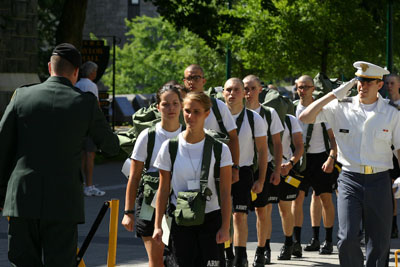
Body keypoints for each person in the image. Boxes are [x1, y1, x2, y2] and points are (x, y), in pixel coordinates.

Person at [0, 43, 119, 266]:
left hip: (22, 198)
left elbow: (2, 146)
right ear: (76, 72)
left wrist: (1, 194)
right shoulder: (85, 103)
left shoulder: (21, 96)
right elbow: (111, 146)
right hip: (63, 202)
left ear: (49, 67)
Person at [299, 61, 400, 267]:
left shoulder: (392, 114)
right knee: (346, 238)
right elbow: (305, 117)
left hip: (380, 180)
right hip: (350, 179)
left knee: (379, 241)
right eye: (359, 81)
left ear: (379, 85)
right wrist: (334, 94)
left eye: (368, 82)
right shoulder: (340, 106)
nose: (362, 86)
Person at [153, 91, 232, 266]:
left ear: (207, 113)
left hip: (211, 219)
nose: (191, 116)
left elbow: (226, 192)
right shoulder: (170, 147)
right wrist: (158, 225)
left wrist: (225, 227)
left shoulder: (220, 149)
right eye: (188, 111)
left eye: (197, 112)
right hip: (181, 220)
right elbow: (163, 189)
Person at [121, 84, 184, 266]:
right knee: (156, 261)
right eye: (165, 104)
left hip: (180, 205)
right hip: (150, 204)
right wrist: (128, 212)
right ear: (158, 107)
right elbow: (134, 177)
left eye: (174, 103)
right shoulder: (147, 136)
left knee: (178, 259)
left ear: (181, 105)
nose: (171, 108)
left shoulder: (189, 135)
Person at [223, 78, 268, 267]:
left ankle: (241, 256)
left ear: (244, 93)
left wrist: (261, 180)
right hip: (219, 172)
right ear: (223, 93)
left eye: (236, 90)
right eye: (228, 90)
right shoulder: (215, 116)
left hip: (244, 171)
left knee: (239, 215)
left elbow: (263, 151)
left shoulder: (253, 118)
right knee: (222, 215)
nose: (232, 94)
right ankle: (227, 253)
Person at [292, 75, 337, 256]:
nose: (302, 91)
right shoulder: (292, 109)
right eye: (299, 87)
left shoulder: (321, 109)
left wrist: (331, 158)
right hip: (299, 159)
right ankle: (296, 241)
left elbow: (333, 139)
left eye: (306, 87)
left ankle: (327, 240)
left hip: (320, 159)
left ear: (313, 89)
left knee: (324, 198)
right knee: (297, 198)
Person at [243, 75, 283, 266]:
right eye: (245, 88)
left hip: (263, 167)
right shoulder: (235, 112)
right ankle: (236, 253)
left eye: (252, 88)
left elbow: (277, 143)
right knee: (237, 213)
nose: (248, 92)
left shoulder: (269, 113)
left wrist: (276, 170)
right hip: (242, 168)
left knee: (262, 211)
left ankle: (262, 249)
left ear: (260, 90)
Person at [183, 64, 240, 183]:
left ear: (204, 81)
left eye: (196, 78)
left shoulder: (218, 106)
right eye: (188, 78)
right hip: (185, 166)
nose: (192, 82)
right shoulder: (178, 107)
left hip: (214, 168)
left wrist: (235, 168)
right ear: (184, 81)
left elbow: (233, 137)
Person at [269, 113, 304, 261]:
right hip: (267, 168)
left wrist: (290, 164)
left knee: (285, 209)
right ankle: (264, 248)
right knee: (263, 210)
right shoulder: (261, 116)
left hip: (285, 170)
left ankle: (289, 243)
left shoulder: (290, 119)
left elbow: (299, 146)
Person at [75, 61, 105, 197]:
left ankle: (79, 184)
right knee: (90, 155)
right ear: (92, 72)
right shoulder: (91, 85)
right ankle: (89, 185)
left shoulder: (77, 84)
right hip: (89, 125)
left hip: (78, 124)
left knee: (80, 156)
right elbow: (96, 106)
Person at [386, 74, 400, 238]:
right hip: (390, 153)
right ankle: (393, 225)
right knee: (391, 191)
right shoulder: (385, 105)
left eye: (392, 83)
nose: (389, 86)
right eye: (387, 83)